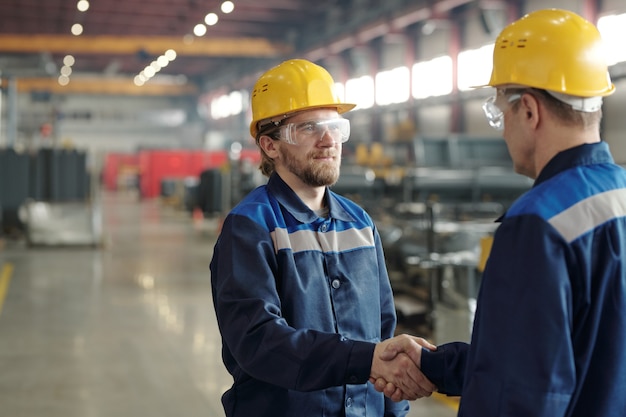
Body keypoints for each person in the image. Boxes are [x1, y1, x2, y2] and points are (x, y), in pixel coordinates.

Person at [374, 8, 626, 417]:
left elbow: (518, 393)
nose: (503, 128)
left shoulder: (538, 224)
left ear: (529, 110)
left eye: (499, 113)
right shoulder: (617, 197)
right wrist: (435, 366)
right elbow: (570, 355)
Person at [209, 58, 436, 417]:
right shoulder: (250, 227)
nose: (329, 140)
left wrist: (396, 409)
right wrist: (364, 360)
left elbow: (382, 330)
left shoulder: (359, 223)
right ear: (270, 145)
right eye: (309, 128)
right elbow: (259, 342)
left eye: (335, 126)